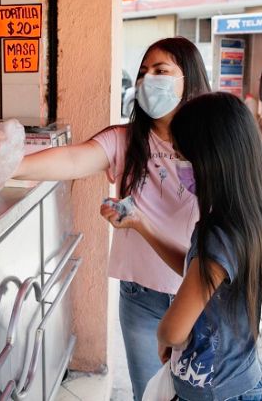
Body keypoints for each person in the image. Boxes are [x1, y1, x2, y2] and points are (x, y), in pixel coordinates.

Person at [13, 37, 211, 400]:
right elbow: (72, 160)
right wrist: (4, 166)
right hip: (141, 297)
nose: (147, 80)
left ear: (191, 80)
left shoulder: (213, 145)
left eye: (161, 71)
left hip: (200, 293)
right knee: (150, 394)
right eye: (142, 72)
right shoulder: (124, 139)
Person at [103, 91, 262, 400]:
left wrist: (167, 336)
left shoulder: (219, 233)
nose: (177, 165)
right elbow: (193, 267)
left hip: (219, 394)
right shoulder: (250, 220)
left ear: (213, 160)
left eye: (182, 156)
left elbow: (173, 329)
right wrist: (140, 224)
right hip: (237, 383)